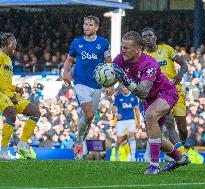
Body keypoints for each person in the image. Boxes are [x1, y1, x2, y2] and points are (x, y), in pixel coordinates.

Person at [113, 31, 189, 174]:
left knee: (150, 115)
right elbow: (111, 71)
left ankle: (154, 165)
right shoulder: (120, 59)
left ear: (137, 49)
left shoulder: (149, 63)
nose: (123, 50)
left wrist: (124, 80)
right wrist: (108, 84)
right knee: (156, 138)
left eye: (126, 47)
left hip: (167, 92)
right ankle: (180, 159)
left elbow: (142, 91)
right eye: (122, 47)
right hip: (149, 99)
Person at [62, 16, 112, 159]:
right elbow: (69, 60)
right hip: (81, 83)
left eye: (90, 24)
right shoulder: (77, 43)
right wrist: (66, 72)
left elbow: (109, 63)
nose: (87, 26)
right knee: (89, 114)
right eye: (85, 24)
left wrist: (109, 83)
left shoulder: (103, 43)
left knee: (89, 118)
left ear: (97, 27)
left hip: (97, 85)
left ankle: (79, 142)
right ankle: (79, 140)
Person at [141, 27, 188, 154]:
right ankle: (180, 153)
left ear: (155, 37)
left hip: (175, 90)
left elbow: (184, 64)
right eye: (144, 37)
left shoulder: (166, 49)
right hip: (159, 93)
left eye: (149, 35)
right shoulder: (143, 57)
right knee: (169, 122)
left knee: (183, 129)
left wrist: (180, 75)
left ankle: (181, 146)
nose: (147, 38)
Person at [0, 33, 41, 159]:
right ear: (6, 43)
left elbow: (5, 81)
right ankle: (3, 152)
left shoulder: (8, 59)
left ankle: (22, 144)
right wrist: (9, 93)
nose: (15, 46)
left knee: (35, 112)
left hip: (7, 91)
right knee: (11, 115)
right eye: (13, 43)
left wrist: (15, 88)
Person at [112, 86, 140, 161]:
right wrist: (116, 114)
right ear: (121, 89)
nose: (125, 89)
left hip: (131, 120)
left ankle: (133, 157)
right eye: (123, 87)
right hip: (121, 121)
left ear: (129, 88)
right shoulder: (118, 97)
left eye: (126, 87)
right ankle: (116, 152)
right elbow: (114, 108)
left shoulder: (133, 97)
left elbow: (137, 110)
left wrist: (138, 122)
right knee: (119, 140)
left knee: (132, 136)